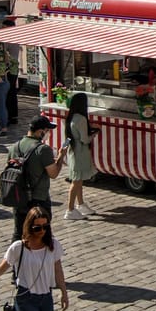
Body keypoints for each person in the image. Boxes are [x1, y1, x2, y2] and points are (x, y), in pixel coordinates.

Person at [7, 116, 67, 241]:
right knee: (42, 235)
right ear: (41, 132)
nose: (48, 134)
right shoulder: (43, 149)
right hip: (38, 199)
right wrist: (61, 157)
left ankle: (17, 258)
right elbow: (54, 173)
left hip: (19, 198)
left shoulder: (15, 147)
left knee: (19, 234)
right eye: (47, 131)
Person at [61, 91, 97, 220]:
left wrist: (63, 149)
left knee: (78, 180)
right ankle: (70, 209)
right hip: (80, 153)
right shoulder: (81, 119)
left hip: (73, 152)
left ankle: (81, 204)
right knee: (76, 182)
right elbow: (84, 139)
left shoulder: (70, 118)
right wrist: (93, 134)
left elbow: (68, 138)